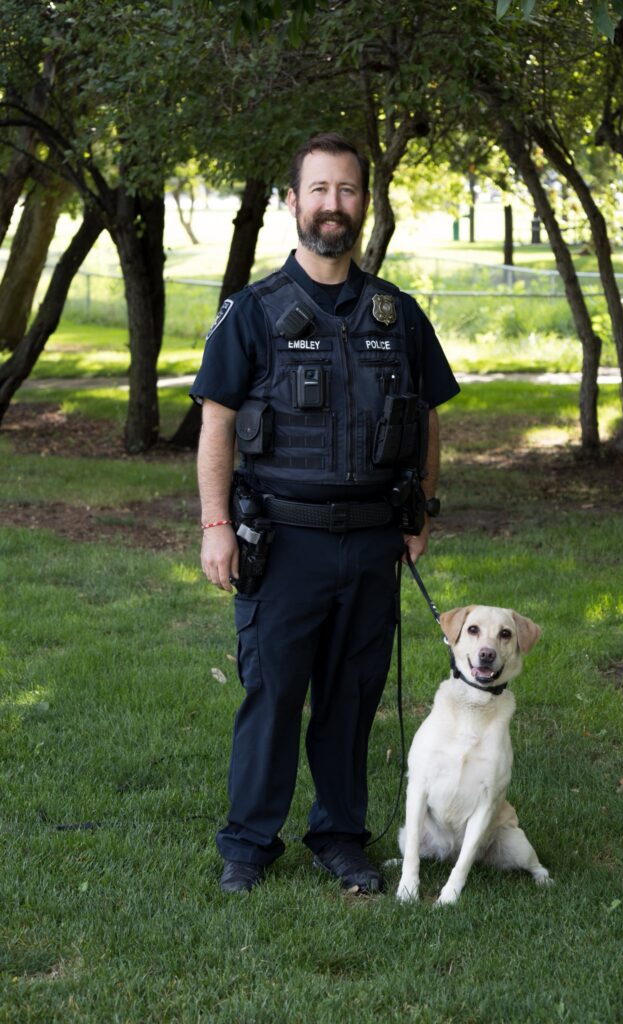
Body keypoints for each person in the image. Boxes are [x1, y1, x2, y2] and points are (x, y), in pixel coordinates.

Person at [191, 132, 459, 895]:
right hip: (283, 541)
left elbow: (430, 417)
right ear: (292, 203)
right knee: (273, 694)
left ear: (362, 205)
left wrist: (421, 510)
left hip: (373, 540)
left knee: (351, 696)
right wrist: (215, 525)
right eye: (318, 190)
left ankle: (340, 837)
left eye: (346, 190)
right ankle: (248, 843)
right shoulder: (252, 310)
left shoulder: (397, 314)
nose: (332, 205)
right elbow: (216, 418)